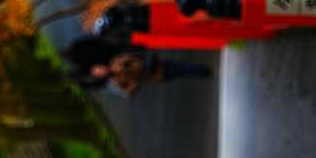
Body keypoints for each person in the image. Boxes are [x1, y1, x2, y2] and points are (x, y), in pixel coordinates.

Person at [63, 36, 212, 96]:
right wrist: (133, 82)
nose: (100, 71)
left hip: (151, 65)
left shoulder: (115, 61)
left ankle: (201, 70)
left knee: (178, 68)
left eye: (98, 69)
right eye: (98, 72)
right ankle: (200, 71)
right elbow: (130, 90)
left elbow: (132, 57)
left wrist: (140, 61)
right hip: (152, 76)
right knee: (178, 73)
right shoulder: (115, 81)